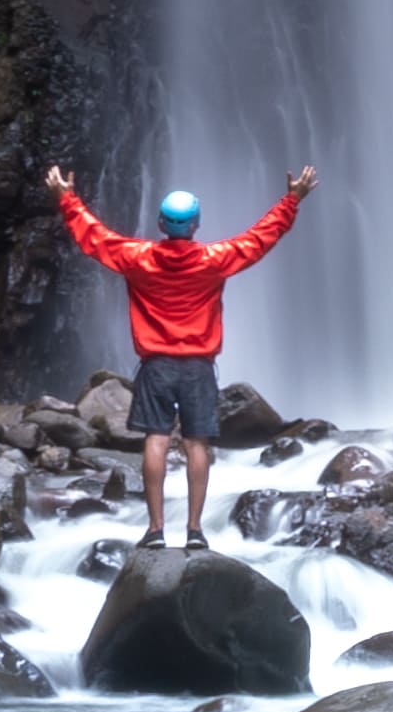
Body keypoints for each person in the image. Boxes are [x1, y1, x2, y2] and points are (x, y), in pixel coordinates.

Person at [50, 163, 310, 548]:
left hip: (156, 366)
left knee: (156, 439)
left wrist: (66, 199)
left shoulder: (137, 258)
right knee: (196, 444)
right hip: (198, 367)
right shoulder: (214, 260)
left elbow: (96, 238)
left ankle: (155, 530)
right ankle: (195, 531)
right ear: (196, 226)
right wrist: (292, 200)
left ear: (160, 222)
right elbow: (258, 240)